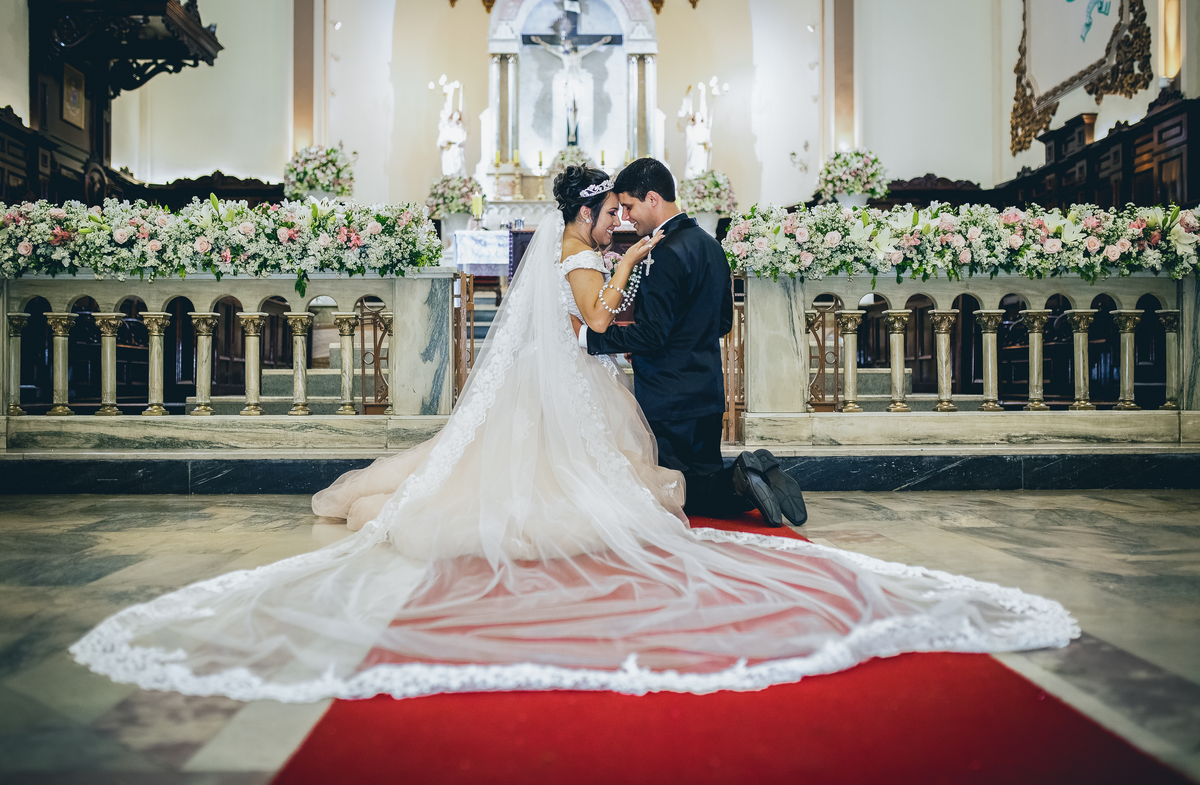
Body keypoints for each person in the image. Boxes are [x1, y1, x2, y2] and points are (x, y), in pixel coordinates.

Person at [70, 165, 1078, 704]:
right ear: (591, 210)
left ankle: (727, 482)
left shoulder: (575, 245)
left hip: (589, 383)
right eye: (608, 212)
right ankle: (728, 485)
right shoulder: (581, 252)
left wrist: (627, 267)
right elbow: (594, 321)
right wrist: (627, 265)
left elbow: (587, 322)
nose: (614, 221)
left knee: (600, 457)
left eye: (620, 212)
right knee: (608, 471)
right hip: (593, 379)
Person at [572, 157, 806, 528]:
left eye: (629, 206)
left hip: (668, 396)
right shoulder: (711, 245)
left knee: (675, 492)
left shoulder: (663, 252)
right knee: (699, 482)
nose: (626, 218)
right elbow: (724, 322)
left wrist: (590, 338)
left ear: (652, 199)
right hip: (707, 391)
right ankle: (755, 471)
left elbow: (653, 334)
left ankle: (743, 476)